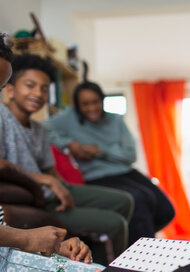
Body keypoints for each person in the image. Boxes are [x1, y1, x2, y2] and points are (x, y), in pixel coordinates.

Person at [0, 53, 134, 257]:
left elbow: (49, 169)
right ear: (9, 89)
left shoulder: (40, 130)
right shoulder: (2, 117)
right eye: (30, 85)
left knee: (125, 200)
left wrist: (60, 184)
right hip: (37, 197)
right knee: (116, 224)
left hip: (51, 191)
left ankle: (95, 242)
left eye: (44, 89)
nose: (37, 93)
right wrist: (46, 180)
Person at [44, 81, 175, 246]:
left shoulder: (116, 120)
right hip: (96, 176)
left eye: (95, 102)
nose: (91, 108)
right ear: (77, 106)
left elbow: (130, 155)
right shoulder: (68, 119)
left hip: (126, 172)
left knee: (165, 208)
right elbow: (41, 128)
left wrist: (101, 150)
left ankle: (137, 241)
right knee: (138, 200)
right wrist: (69, 143)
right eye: (85, 104)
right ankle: (145, 253)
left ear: (102, 100)